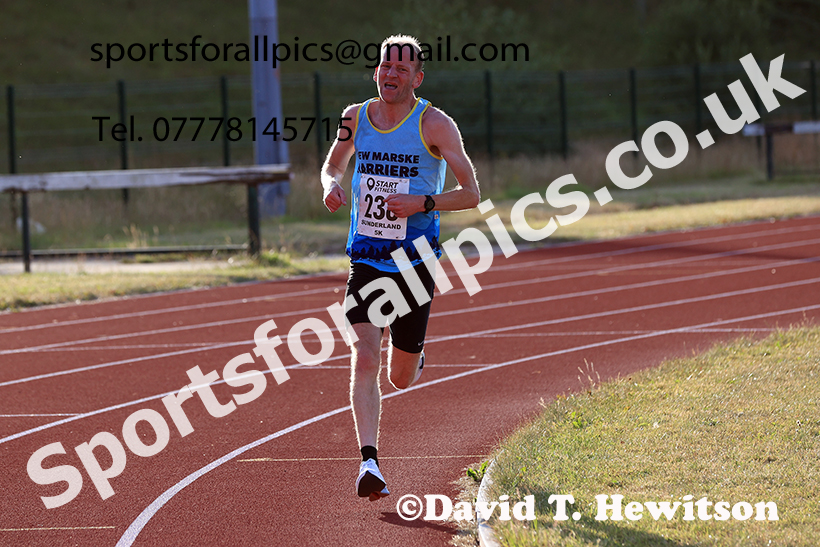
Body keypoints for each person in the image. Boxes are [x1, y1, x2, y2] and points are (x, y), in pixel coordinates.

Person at [321, 35, 480, 501]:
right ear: (377, 72)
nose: (391, 74)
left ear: (417, 78)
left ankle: (413, 355)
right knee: (366, 355)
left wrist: (423, 202)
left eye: (401, 69)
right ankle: (369, 462)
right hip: (367, 258)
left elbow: (472, 193)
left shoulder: (435, 124)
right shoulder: (355, 118)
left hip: (415, 263)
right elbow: (332, 166)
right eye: (385, 66)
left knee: (399, 376)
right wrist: (331, 187)